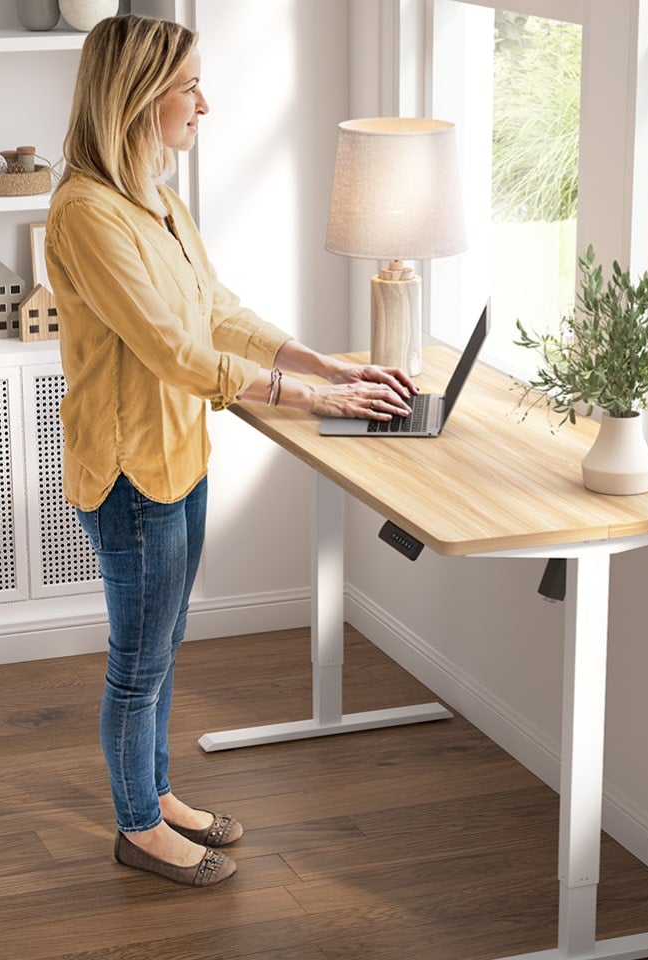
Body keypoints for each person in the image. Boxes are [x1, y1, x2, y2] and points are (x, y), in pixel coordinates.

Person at [46, 15, 418, 887]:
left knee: (166, 643)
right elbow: (174, 350)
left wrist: (312, 358)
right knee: (139, 662)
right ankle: (137, 826)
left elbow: (214, 310)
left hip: (182, 453)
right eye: (190, 87)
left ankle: (158, 791)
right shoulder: (88, 214)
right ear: (139, 98)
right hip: (133, 468)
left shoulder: (155, 196)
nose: (203, 104)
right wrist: (311, 397)